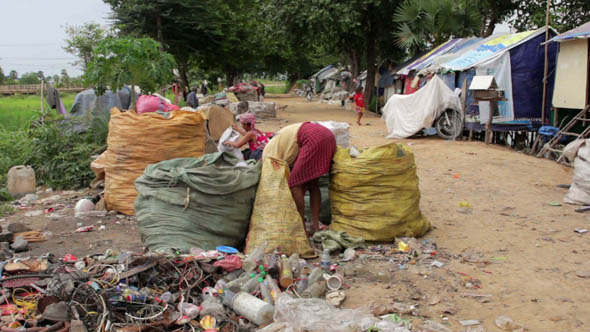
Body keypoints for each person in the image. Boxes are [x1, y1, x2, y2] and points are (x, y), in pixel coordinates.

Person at [262, 122, 336, 234]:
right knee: (313, 184)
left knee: (295, 185)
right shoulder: (281, 138)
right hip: (328, 136)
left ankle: (300, 226)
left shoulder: (268, 153)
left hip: (313, 139)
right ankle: (315, 224)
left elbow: (278, 167)